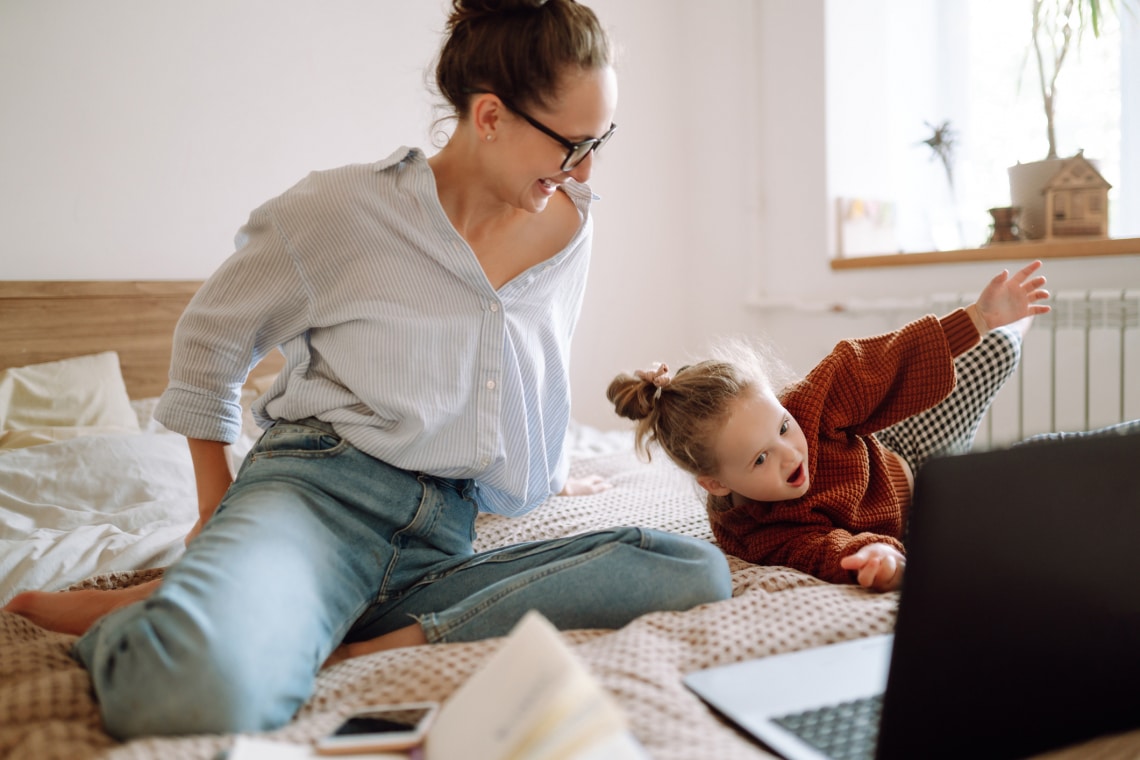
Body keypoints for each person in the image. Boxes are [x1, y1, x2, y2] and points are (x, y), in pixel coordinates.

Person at [3, 0, 732, 739]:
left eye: (600, 139)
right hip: (319, 496)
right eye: (572, 144)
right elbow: (209, 342)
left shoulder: (569, 222)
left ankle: (261, 607)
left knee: (693, 571)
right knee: (185, 698)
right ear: (489, 117)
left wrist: (540, 468)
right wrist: (212, 515)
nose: (586, 167)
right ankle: (181, 605)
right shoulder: (341, 210)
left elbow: (524, 363)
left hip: (443, 530)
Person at [608, 261, 1057, 594]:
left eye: (783, 427)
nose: (790, 454)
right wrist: (877, 557)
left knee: (997, 351)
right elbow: (821, 549)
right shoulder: (754, 534)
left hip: (908, 444)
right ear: (716, 482)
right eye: (761, 458)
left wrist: (979, 317)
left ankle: (1013, 320)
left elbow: (877, 365)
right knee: (1033, 472)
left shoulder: (806, 405)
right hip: (926, 503)